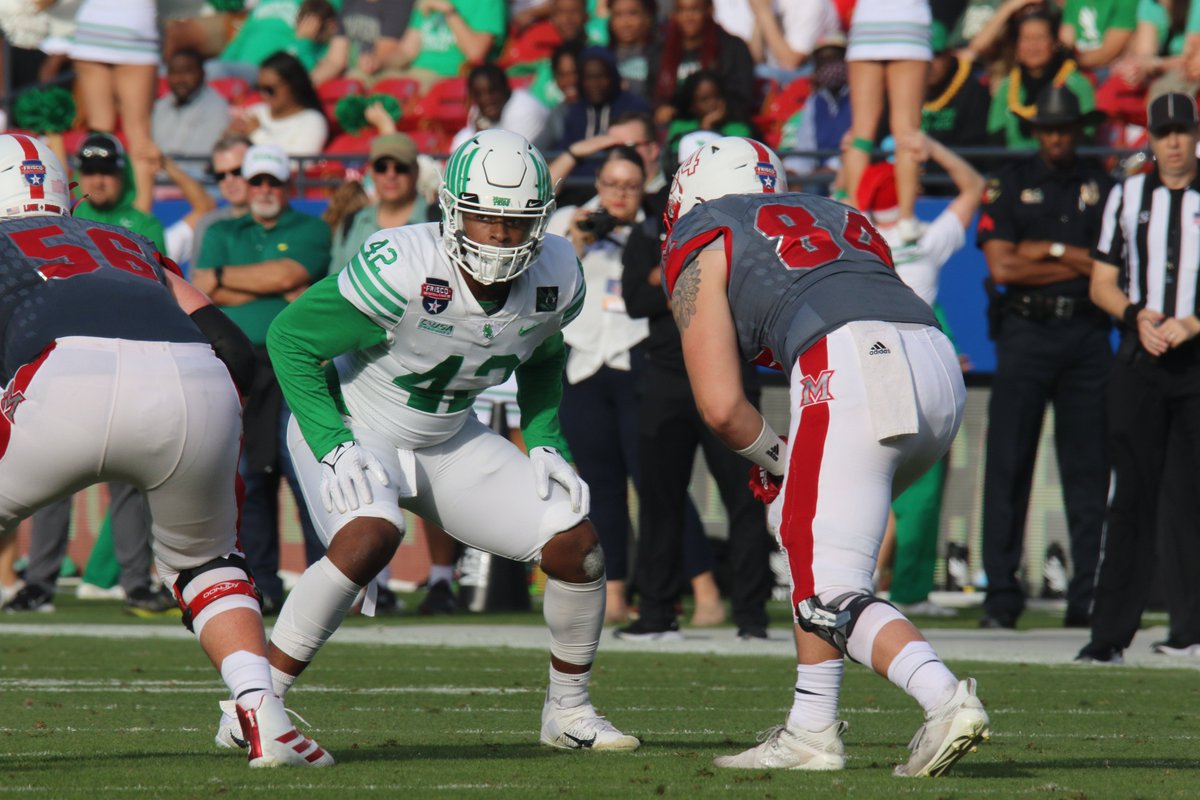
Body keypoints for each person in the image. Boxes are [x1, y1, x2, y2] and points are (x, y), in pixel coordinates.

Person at [212, 129, 640, 753]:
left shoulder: (556, 273)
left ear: (541, 221)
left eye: (515, 222)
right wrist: (333, 441)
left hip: (448, 437)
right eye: (483, 218)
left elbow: (544, 354)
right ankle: (255, 707)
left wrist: (545, 439)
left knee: (577, 544)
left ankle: (567, 711)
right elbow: (290, 339)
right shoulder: (405, 265)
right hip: (359, 425)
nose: (497, 236)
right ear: (451, 210)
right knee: (371, 535)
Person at [0, 133, 331, 767]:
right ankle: (265, 713)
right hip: (194, 380)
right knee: (208, 562)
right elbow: (233, 346)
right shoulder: (128, 242)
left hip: (63, 376)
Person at [658, 135, 987, 774]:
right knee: (810, 546)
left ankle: (943, 697)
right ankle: (811, 728)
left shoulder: (703, 228)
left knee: (825, 591)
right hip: (938, 365)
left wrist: (775, 458)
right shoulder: (842, 214)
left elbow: (722, 408)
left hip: (853, 365)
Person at [975, 85, 1113, 630]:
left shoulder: (1102, 185)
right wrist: (1078, 260)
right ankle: (1001, 598)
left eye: (1065, 127)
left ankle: (1088, 597)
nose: (1056, 137)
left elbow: (1113, 271)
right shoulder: (1010, 182)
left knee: (1088, 470)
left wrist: (1047, 251)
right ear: (1036, 130)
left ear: (1079, 129)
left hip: (1085, 334)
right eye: (1048, 128)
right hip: (1026, 332)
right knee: (1009, 466)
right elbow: (1003, 269)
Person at [1077, 93, 1200, 663]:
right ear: (1149, 137)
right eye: (1165, 131)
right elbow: (1101, 281)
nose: (1174, 141)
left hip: (1195, 361)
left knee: (1190, 496)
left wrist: (1193, 321)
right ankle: (1108, 637)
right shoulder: (1127, 194)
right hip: (1141, 358)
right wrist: (1136, 315)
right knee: (1129, 495)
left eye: (1183, 129)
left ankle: (1190, 630)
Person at [192, 144, 332, 614]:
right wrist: (270, 282)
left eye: (273, 181)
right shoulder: (222, 228)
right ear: (246, 187)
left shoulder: (310, 228)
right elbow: (203, 283)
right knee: (251, 477)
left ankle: (325, 582)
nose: (266, 190)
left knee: (303, 472)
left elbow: (293, 271)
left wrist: (228, 277)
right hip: (238, 363)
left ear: (286, 185)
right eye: (258, 182)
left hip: (294, 363)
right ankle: (263, 582)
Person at [853, 133, 985, 616]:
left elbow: (845, 186)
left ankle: (853, 584)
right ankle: (899, 590)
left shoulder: (856, 240)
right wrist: (930, 144)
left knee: (870, 477)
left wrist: (861, 145)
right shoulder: (921, 241)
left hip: (869, 363)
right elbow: (973, 186)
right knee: (919, 488)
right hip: (916, 366)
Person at [68, 0, 159, 211]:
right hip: (134, 24)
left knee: (99, 129)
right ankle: (141, 219)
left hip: (92, 26)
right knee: (138, 134)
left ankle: (85, 213)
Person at [986, 6, 1097, 150]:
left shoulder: (1078, 84)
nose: (1033, 46)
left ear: (1055, 42)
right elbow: (995, 138)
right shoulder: (1006, 87)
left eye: (1040, 38)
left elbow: (1086, 136)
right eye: (1026, 38)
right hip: (1015, 168)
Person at [71, 133, 165, 254]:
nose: (97, 182)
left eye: (106, 172)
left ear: (123, 175)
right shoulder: (65, 219)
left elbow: (157, 271)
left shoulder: (145, 226)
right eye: (89, 172)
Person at [227, 51, 329, 158]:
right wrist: (231, 136)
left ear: (293, 85)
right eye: (259, 88)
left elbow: (298, 164)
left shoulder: (313, 121)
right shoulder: (255, 112)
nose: (263, 95)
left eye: (270, 89)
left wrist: (257, 134)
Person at [152, 48, 232, 164]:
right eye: (174, 72)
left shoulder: (216, 108)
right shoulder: (160, 106)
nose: (179, 79)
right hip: (157, 176)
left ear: (202, 73)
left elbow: (200, 162)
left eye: (187, 72)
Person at [190, 134, 253, 269]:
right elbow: (199, 282)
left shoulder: (280, 220)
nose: (228, 181)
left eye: (237, 171)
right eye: (220, 175)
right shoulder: (207, 224)